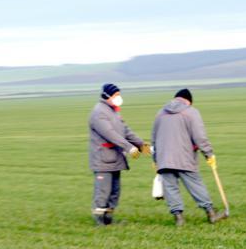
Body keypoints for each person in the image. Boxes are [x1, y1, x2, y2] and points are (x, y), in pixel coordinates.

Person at [152, 88, 227, 226]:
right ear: (189, 101)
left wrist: (155, 159)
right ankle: (211, 213)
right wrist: (208, 154)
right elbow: (199, 137)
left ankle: (178, 218)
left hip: (163, 158)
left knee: (170, 187)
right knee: (195, 185)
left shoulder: (160, 113)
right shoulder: (191, 112)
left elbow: (154, 139)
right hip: (184, 157)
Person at [88, 83, 149, 225]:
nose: (119, 98)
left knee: (114, 192)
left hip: (115, 159)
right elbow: (110, 134)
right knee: (103, 192)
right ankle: (100, 222)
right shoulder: (99, 113)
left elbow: (126, 131)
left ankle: (109, 220)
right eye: (116, 95)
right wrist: (129, 148)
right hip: (103, 160)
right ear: (107, 96)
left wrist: (142, 145)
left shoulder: (114, 111)